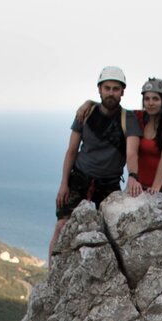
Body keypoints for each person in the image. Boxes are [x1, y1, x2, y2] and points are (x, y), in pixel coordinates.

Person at [50, 66, 137, 261]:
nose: (111, 93)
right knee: (62, 226)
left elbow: (132, 153)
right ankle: (52, 279)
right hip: (79, 179)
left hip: (108, 184)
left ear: (122, 92)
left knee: (108, 235)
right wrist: (64, 183)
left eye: (116, 89)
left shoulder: (128, 119)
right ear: (99, 89)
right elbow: (71, 150)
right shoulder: (86, 113)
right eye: (107, 88)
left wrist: (133, 176)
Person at [124, 77, 162, 221]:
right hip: (137, 187)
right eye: (147, 99)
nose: (150, 103)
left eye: (155, 99)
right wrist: (89, 104)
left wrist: (156, 188)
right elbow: (114, 110)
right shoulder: (137, 118)